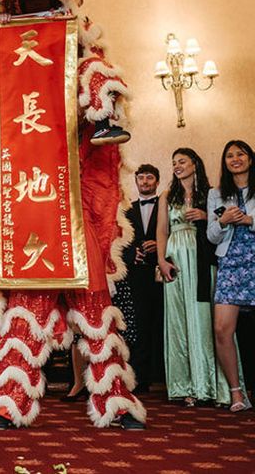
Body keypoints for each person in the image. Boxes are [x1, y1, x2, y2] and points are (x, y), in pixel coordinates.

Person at [157, 147, 230, 406]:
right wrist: (161, 261)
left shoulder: (211, 194)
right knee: (179, 321)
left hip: (202, 258)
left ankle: (213, 386)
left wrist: (204, 216)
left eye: (182, 161)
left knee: (205, 318)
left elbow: (223, 226)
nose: (177, 166)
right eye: (174, 162)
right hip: (176, 257)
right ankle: (185, 385)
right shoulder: (167, 195)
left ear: (195, 164)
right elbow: (162, 231)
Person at [207, 139, 255, 412]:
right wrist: (223, 222)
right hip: (231, 264)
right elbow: (212, 236)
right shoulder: (217, 194)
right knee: (222, 329)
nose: (235, 159)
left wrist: (249, 220)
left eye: (241, 154)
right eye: (229, 156)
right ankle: (237, 394)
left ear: (250, 158)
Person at [125, 164, 164, 393]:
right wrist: (133, 254)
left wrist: (160, 246)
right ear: (136, 182)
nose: (146, 181)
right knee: (139, 324)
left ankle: (163, 375)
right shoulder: (127, 211)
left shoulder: (166, 206)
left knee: (162, 322)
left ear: (157, 181)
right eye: (141, 178)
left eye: (150, 177)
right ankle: (140, 377)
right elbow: (120, 242)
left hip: (165, 272)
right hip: (138, 275)